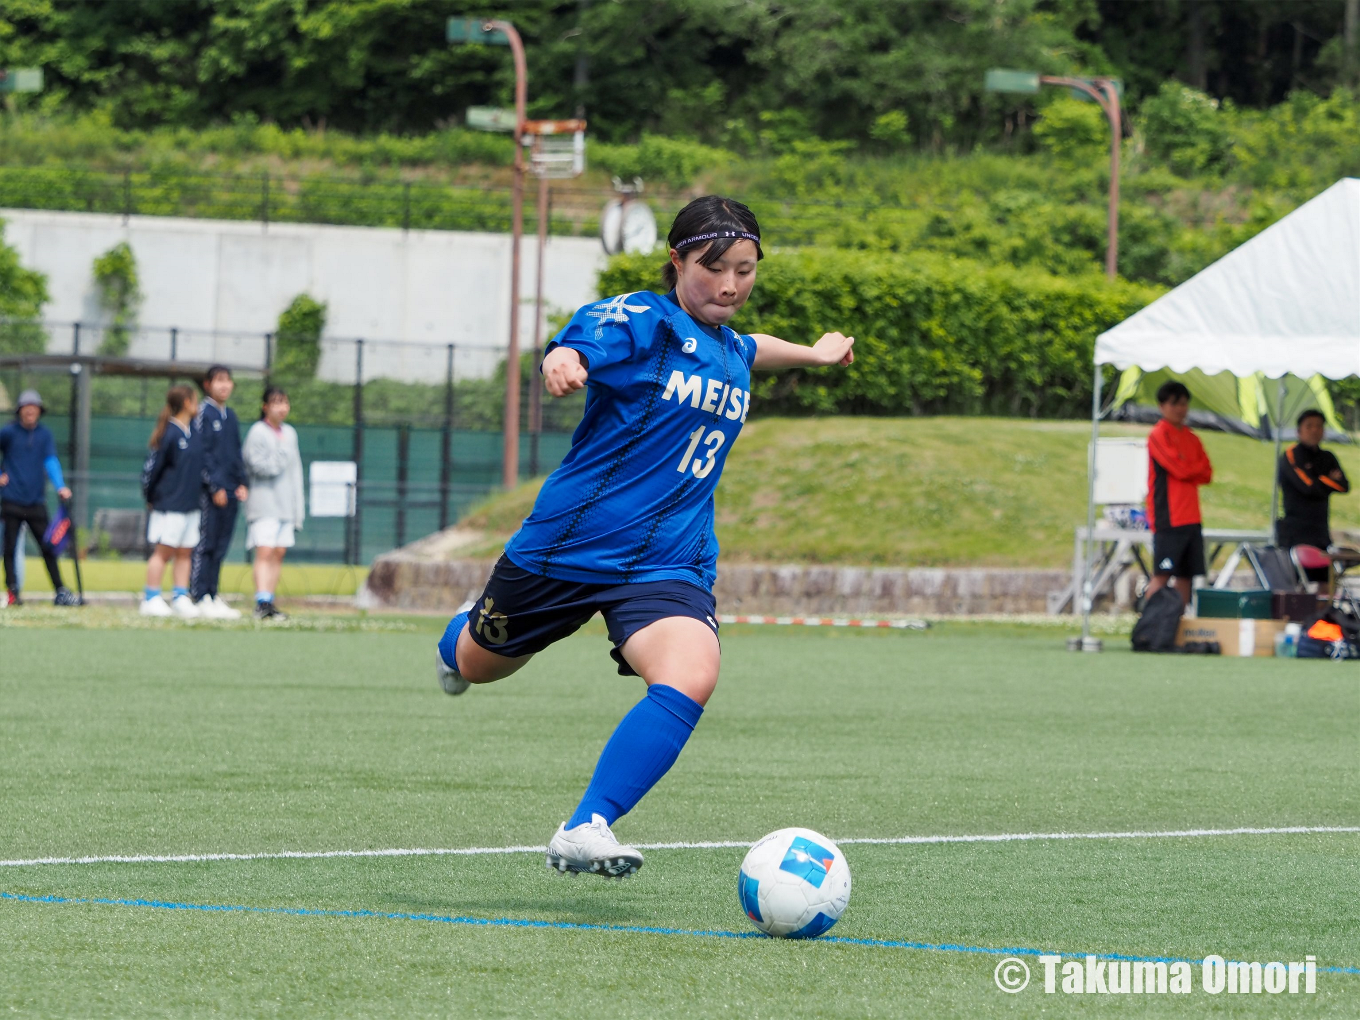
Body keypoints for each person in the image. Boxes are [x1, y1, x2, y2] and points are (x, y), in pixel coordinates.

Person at [433, 196, 855, 878]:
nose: (730, 284)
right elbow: (584, 337)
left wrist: (815, 354)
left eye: (745, 270)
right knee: (477, 666)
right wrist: (563, 360)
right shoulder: (644, 319)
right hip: (569, 548)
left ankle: (586, 825)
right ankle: (460, 634)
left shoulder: (731, 349)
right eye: (714, 267)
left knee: (693, 674)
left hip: (667, 562)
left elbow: (756, 349)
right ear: (676, 261)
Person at [0, 389, 77, 606]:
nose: (30, 411)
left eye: (34, 407)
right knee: (9, 549)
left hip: (35, 502)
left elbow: (51, 461)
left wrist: (60, 486)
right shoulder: (8, 433)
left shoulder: (45, 435)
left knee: (48, 547)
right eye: (26, 407)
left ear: (39, 410)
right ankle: (13, 593)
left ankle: (60, 591)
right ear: (20, 410)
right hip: (11, 501)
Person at [1144, 380, 1213, 606]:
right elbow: (1180, 469)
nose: (1180, 409)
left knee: (1186, 575)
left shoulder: (1192, 437)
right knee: (1162, 574)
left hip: (1191, 516)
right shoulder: (1158, 434)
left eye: (1183, 404)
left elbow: (1207, 473)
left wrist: (1187, 467)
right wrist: (1190, 467)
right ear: (1162, 406)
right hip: (1169, 517)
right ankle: (1149, 621)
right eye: (1174, 404)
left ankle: (1178, 622)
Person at [140, 385, 205, 618]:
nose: (197, 404)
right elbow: (151, 470)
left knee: (185, 552)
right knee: (163, 552)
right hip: (169, 505)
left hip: (191, 505)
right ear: (186, 402)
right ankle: (151, 598)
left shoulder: (194, 433)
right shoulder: (168, 433)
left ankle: (180, 597)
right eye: (195, 400)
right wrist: (150, 497)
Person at [191, 365, 249, 619]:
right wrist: (214, 486)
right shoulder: (203, 413)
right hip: (210, 493)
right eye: (218, 381)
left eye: (227, 381)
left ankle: (213, 594)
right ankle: (198, 595)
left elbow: (236, 452)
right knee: (206, 543)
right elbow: (202, 454)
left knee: (222, 546)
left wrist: (242, 482)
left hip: (232, 492)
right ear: (207, 385)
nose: (224, 386)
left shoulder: (231, 416)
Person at [242, 386, 304, 621]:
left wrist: (298, 509)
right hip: (264, 504)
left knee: (279, 552)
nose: (282, 408)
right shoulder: (257, 432)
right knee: (265, 551)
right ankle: (261, 602)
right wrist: (281, 455)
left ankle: (269, 601)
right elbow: (258, 466)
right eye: (276, 403)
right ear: (265, 407)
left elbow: (295, 472)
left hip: (286, 506)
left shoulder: (290, 433)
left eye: (285, 402)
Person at [1277, 408, 1349, 581]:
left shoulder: (1327, 457)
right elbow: (1308, 487)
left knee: (1324, 581)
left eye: (1319, 426)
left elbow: (1343, 486)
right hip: (1296, 532)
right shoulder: (1292, 454)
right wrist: (1326, 479)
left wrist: (1319, 481)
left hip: (1320, 531)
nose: (1315, 430)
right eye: (1309, 426)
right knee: (1296, 582)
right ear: (1299, 431)